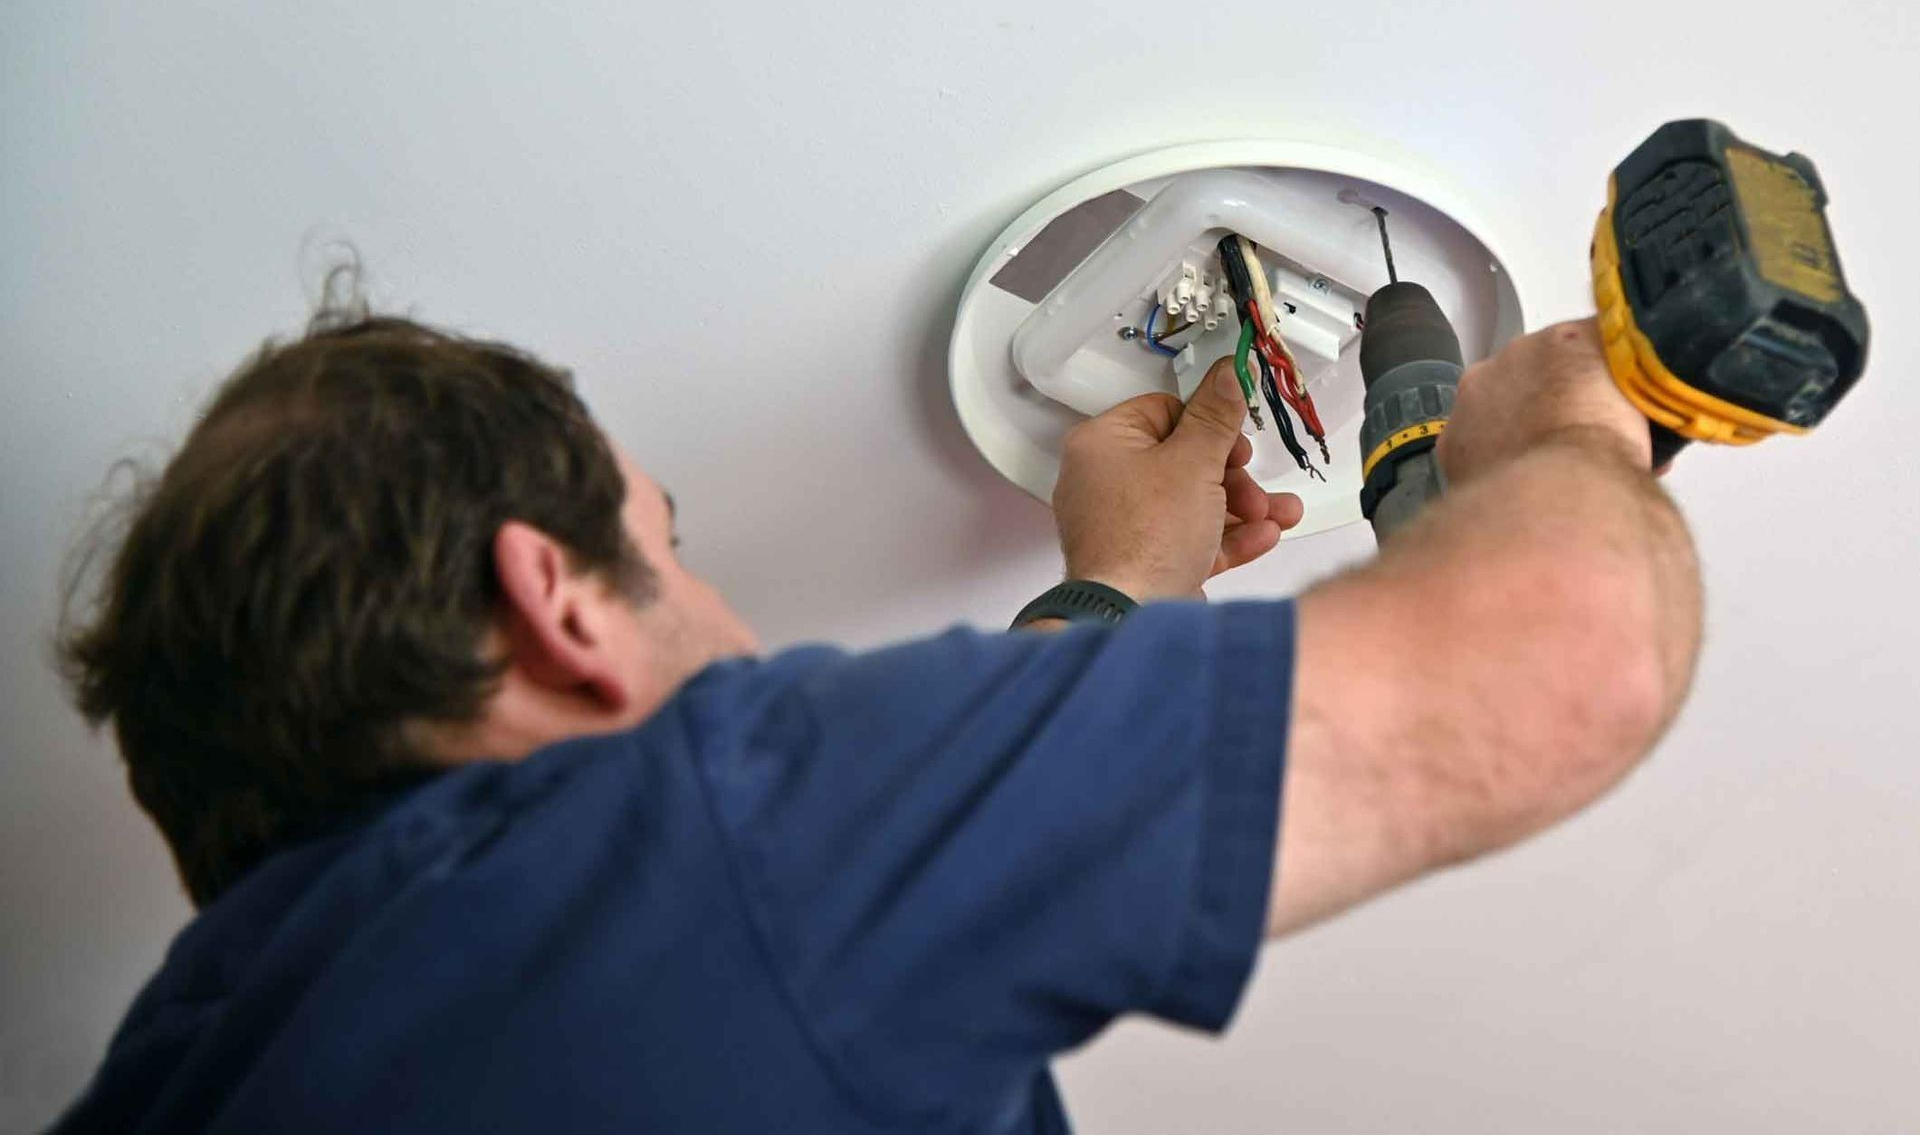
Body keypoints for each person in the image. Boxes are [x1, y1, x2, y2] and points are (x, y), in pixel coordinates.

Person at [52, 309, 1699, 1134]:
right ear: (555, 606)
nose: (729, 630)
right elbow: (1568, 651)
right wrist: (1559, 430)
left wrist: (1124, 580)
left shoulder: (184, 1074)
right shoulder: (706, 838)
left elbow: (866, 926)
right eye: (668, 551)